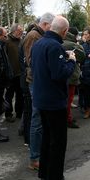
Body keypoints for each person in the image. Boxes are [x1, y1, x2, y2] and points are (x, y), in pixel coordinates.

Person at [31, 16, 76, 180]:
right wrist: (71, 60)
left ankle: (45, 175)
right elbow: (59, 74)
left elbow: (43, 66)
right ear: (64, 31)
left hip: (41, 98)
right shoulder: (54, 45)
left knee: (47, 139)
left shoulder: (39, 43)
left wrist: (61, 58)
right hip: (54, 101)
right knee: (58, 143)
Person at [23, 12, 55, 170]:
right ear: (46, 24)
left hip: (39, 81)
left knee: (41, 118)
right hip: (36, 82)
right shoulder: (33, 36)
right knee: (37, 119)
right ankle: (34, 158)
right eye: (52, 26)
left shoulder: (38, 35)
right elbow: (31, 61)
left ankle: (39, 153)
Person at [62, 27, 85, 128]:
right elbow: (82, 57)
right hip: (71, 75)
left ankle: (66, 118)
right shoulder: (73, 44)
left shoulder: (58, 41)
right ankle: (68, 119)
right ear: (75, 35)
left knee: (63, 99)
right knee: (69, 99)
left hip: (60, 76)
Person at [4, 23, 24, 122]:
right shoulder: (7, 41)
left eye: (21, 31)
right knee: (9, 95)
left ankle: (19, 113)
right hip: (10, 74)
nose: (21, 32)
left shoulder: (21, 41)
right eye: (19, 31)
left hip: (20, 73)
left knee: (20, 94)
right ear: (14, 30)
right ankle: (8, 114)